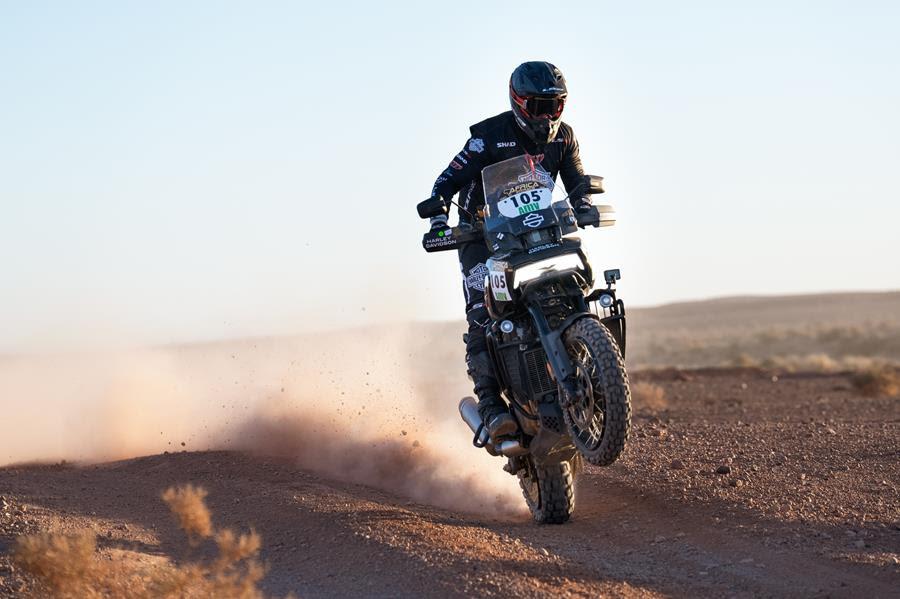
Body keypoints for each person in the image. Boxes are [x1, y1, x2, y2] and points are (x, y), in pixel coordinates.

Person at [427, 61, 592, 442]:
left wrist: (585, 203)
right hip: (482, 238)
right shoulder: (486, 138)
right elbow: (444, 183)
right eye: (538, 106)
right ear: (518, 103)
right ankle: (490, 406)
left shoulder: (564, 138)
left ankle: (587, 366)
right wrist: (438, 218)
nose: (547, 116)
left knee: (574, 288)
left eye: (555, 106)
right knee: (482, 313)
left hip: (540, 231)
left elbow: (578, 181)